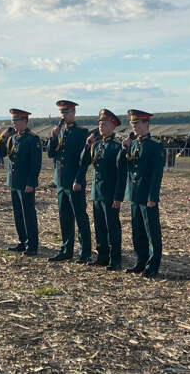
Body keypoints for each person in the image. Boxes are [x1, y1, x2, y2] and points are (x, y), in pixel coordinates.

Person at [75, 109, 126, 271]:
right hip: (97, 192)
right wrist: (87, 144)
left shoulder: (116, 147)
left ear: (113, 125)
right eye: (99, 123)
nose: (101, 126)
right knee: (99, 226)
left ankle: (115, 259)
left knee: (112, 227)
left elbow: (121, 175)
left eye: (104, 123)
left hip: (110, 194)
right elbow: (84, 162)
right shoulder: (97, 145)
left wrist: (118, 197)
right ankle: (102, 256)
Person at [120, 110, 165, 278]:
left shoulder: (155, 146)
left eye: (137, 123)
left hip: (147, 196)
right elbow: (124, 166)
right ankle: (140, 261)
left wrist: (153, 196)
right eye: (132, 123)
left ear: (146, 124)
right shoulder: (133, 144)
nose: (134, 126)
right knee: (137, 231)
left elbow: (156, 174)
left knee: (151, 231)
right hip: (134, 194)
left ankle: (153, 265)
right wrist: (124, 148)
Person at [47, 100, 92, 263]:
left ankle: (85, 252)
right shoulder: (58, 132)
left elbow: (84, 160)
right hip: (61, 181)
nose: (64, 116)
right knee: (64, 218)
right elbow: (51, 154)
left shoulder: (82, 132)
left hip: (75, 182)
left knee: (80, 217)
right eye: (62, 113)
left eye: (67, 112)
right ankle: (66, 249)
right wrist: (52, 137)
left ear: (73, 113)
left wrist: (79, 179)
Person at [0, 109, 42, 256]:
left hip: (25, 183)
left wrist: (31, 182)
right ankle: (22, 241)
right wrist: (2, 139)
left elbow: (35, 164)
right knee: (18, 214)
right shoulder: (13, 138)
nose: (14, 124)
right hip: (14, 182)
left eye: (16, 121)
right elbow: (3, 154)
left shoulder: (32, 139)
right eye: (13, 121)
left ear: (24, 121)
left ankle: (32, 244)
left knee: (28, 214)